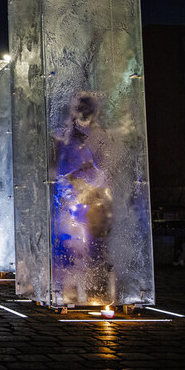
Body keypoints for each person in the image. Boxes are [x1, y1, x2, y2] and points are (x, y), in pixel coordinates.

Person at [52, 92, 114, 305]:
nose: (83, 115)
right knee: (69, 251)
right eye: (80, 110)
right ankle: (69, 296)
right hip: (71, 203)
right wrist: (70, 193)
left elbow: (105, 172)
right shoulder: (66, 139)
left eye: (87, 110)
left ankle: (95, 294)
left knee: (95, 251)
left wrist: (88, 175)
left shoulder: (100, 137)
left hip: (94, 206)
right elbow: (61, 172)